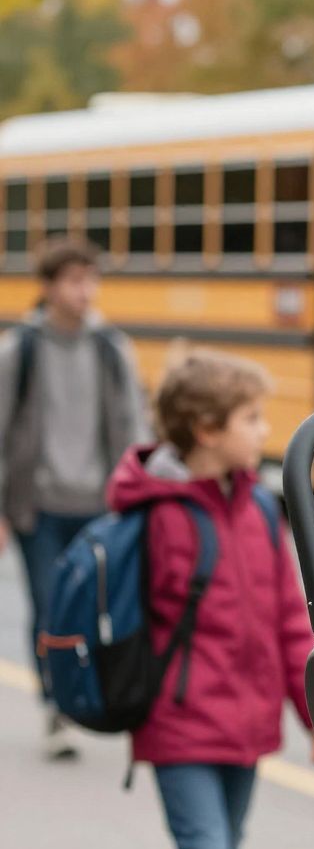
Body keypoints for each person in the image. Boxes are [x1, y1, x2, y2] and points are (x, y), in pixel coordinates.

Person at [105, 350, 314, 849]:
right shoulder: (155, 515)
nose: (265, 430)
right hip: (176, 723)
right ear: (204, 428)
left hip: (246, 720)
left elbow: (291, 617)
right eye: (252, 418)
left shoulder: (260, 507)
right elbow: (127, 623)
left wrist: (313, 712)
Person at [0, 239, 148, 759]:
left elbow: (134, 429)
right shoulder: (20, 350)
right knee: (47, 605)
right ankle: (55, 707)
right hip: (37, 506)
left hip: (100, 506)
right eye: (72, 280)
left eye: (90, 279)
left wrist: (138, 497)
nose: (84, 290)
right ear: (47, 287)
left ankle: (89, 697)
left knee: (97, 609)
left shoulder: (112, 349)